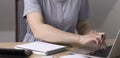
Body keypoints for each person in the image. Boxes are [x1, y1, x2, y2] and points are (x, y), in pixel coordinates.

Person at [23, 0, 106, 48]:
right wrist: (80, 39)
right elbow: (38, 30)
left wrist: (93, 36)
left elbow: (82, 25)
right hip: (37, 47)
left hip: (68, 48)